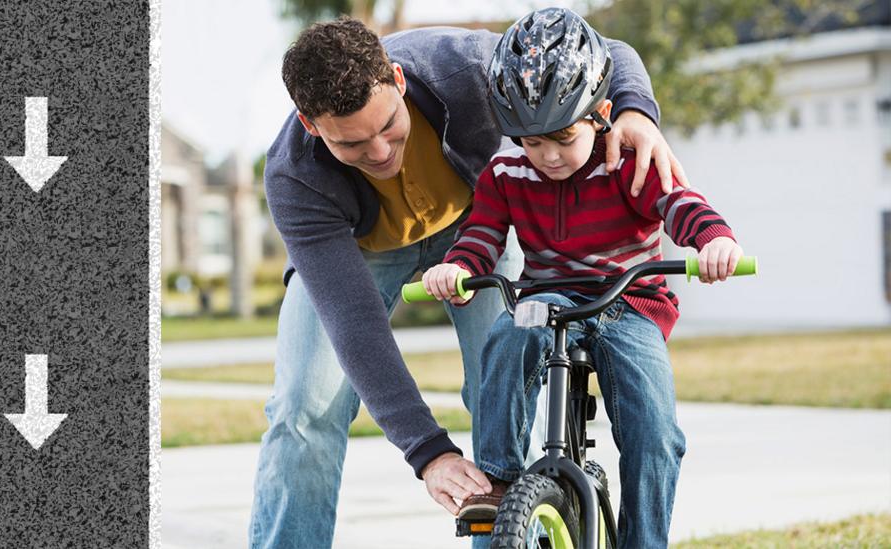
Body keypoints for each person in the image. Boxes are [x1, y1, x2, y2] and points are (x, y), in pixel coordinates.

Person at [251, 15, 690, 549]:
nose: (381, 152)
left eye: (388, 125)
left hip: (474, 227)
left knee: (502, 371)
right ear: (311, 125)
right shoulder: (294, 177)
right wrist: (428, 450)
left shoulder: (468, 68)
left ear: (398, 79)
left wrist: (637, 111)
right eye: (353, 146)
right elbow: (354, 323)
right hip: (361, 250)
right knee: (303, 408)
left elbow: (608, 48)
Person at [421, 8, 743, 548]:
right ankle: (499, 482)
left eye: (563, 138)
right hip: (548, 296)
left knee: (656, 434)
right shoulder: (506, 173)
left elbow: (679, 202)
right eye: (532, 140)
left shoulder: (626, 161)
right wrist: (458, 267)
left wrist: (714, 240)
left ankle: (645, 540)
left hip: (631, 300)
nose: (547, 156)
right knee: (505, 335)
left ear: (601, 114)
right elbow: (482, 236)